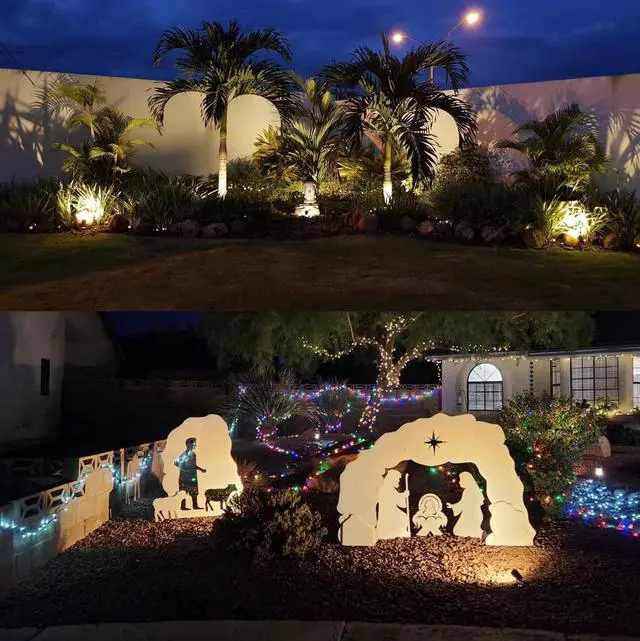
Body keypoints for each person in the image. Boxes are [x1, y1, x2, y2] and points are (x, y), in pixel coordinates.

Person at [446, 471, 484, 538]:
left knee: (460, 530)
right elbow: (462, 503)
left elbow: (464, 503)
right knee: (458, 530)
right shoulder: (467, 491)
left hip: (473, 514)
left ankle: (478, 534)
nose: (459, 482)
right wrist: (452, 506)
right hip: (468, 513)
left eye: (461, 480)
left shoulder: (470, 491)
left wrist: (453, 506)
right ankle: (475, 534)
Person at [376, 469, 410, 540]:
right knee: (401, 517)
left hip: (392, 511)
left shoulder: (391, 489)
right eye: (397, 479)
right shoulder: (385, 488)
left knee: (403, 517)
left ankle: (401, 532)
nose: (398, 481)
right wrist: (404, 495)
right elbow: (394, 498)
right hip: (387, 512)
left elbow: (401, 504)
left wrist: (404, 496)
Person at [174, 437, 207, 510]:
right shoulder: (184, 455)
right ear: (188, 444)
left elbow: (193, 465)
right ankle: (183, 506)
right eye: (194, 444)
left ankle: (195, 506)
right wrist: (184, 469)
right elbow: (176, 463)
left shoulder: (193, 454)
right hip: (185, 478)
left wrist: (201, 469)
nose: (195, 445)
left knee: (194, 491)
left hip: (192, 477)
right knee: (184, 492)